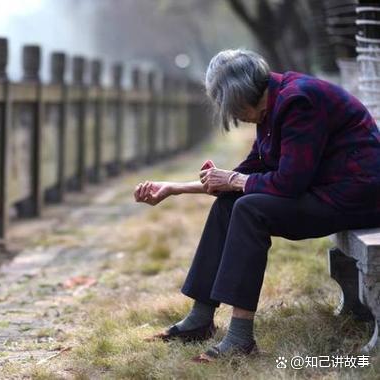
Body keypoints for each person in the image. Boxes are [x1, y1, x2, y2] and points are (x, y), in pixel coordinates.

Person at [134, 49, 380, 363]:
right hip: (329, 192)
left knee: (250, 208)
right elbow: (246, 174)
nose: (234, 117)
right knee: (231, 203)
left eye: (231, 108)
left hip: (358, 197)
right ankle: (200, 320)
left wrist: (235, 181)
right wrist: (175, 188)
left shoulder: (298, 102)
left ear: (240, 96)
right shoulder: (272, 106)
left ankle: (239, 340)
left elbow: (288, 183)